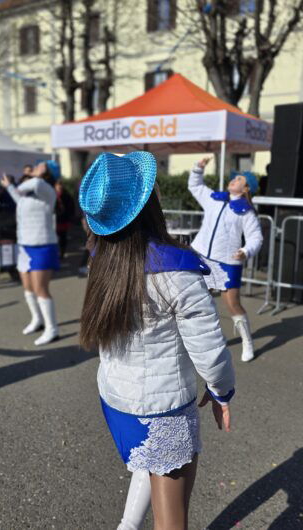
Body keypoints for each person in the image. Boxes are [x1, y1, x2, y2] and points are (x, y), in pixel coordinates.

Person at [78, 151, 235, 530]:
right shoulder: (177, 268)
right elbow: (210, 351)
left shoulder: (101, 257)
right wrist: (222, 392)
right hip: (163, 408)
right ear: (150, 202)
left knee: (148, 462)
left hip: (116, 399)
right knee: (172, 521)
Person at [188, 158, 263, 362]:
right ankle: (197, 341)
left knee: (233, 304)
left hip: (227, 262)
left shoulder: (246, 212)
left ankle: (247, 341)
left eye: (239, 179)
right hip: (201, 255)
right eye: (234, 178)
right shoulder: (214, 198)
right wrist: (198, 168)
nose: (233, 180)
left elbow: (256, 237)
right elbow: (194, 186)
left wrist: (246, 251)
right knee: (194, 300)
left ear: (246, 188)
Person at [1, 161, 60, 346]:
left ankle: (52, 329)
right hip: (24, 246)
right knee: (28, 288)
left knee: (40, 289)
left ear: (46, 172)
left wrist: (38, 174)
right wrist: (9, 186)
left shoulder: (47, 191)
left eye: (38, 167)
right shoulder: (27, 196)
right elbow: (18, 196)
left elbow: (35, 184)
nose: (33, 170)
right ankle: (37, 319)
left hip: (42, 245)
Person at [54, 179, 75, 259]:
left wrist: (70, 218)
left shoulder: (67, 195)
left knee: (63, 236)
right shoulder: (52, 195)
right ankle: (56, 253)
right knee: (55, 237)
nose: (60, 187)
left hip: (63, 219)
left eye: (61, 185)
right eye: (58, 185)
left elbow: (71, 207)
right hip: (54, 219)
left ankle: (62, 252)